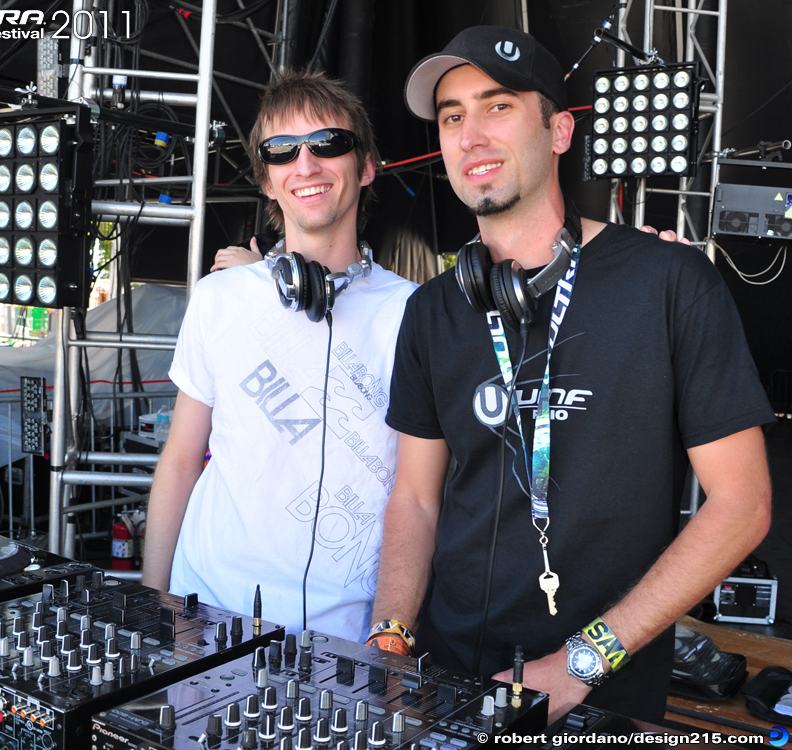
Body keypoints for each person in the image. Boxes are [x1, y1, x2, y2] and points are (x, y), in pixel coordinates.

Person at [369, 26, 773, 723]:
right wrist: (392, 632)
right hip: (446, 677)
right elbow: (415, 498)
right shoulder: (434, 309)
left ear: (559, 131)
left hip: (599, 691)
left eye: (497, 106)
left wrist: (582, 662)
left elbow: (743, 506)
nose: (470, 135)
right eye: (452, 116)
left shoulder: (670, 283)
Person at [142, 70, 418, 642]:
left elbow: (420, 495)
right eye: (282, 151)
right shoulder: (221, 298)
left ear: (366, 166)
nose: (306, 165)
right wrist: (155, 599)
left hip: (349, 631)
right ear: (267, 182)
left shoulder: (414, 313)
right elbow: (180, 460)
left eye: (329, 145)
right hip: (206, 607)